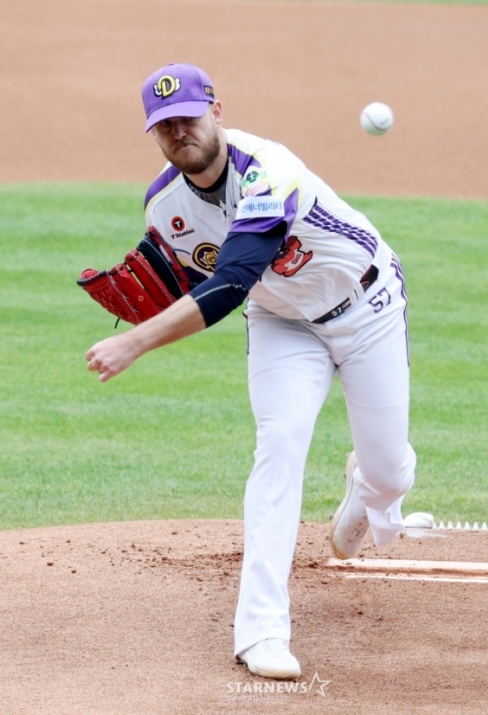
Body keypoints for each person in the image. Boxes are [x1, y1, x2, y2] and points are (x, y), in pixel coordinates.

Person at [85, 63, 416, 680]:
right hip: (282, 323)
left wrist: (135, 341)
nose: (179, 131)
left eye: (188, 117)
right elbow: (189, 273)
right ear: (153, 134)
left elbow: (232, 280)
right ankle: (261, 631)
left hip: (367, 305)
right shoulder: (163, 205)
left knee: (390, 472)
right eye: (164, 125)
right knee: (279, 445)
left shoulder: (269, 168)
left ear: (216, 111)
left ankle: (369, 488)